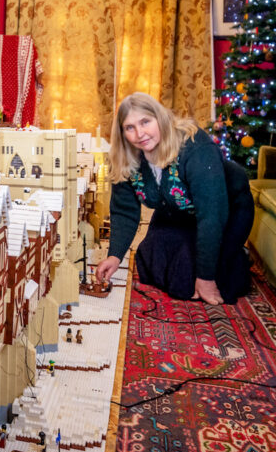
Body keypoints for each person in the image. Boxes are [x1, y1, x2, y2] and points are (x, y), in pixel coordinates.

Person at [94, 92, 252, 305]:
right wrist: (114, 256)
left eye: (145, 122)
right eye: (130, 127)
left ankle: (235, 256)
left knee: (201, 280)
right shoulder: (125, 157)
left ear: (160, 118)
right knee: (152, 257)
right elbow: (124, 211)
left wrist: (206, 278)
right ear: (122, 133)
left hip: (225, 211)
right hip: (176, 210)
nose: (140, 134)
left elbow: (212, 215)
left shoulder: (195, 146)